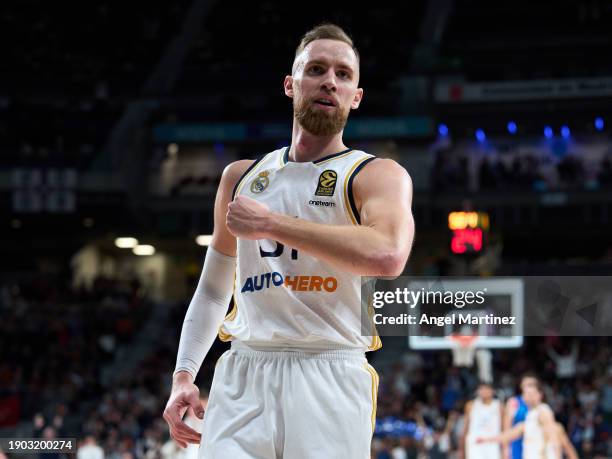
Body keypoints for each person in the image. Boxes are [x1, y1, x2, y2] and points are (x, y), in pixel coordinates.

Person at [163, 23, 415, 459]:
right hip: (244, 369)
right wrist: (184, 373)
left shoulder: (376, 175)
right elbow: (212, 290)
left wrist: (272, 224)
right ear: (290, 84)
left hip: (329, 372)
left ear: (356, 96)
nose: (329, 81)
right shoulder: (240, 178)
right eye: (316, 69)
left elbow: (388, 255)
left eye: (343, 74)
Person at [477, 384, 561, 459]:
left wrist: (557, 456)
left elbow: (553, 437)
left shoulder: (543, 411)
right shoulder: (530, 415)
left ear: (539, 395)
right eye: (526, 394)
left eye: (531, 394)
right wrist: (486, 439)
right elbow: (512, 434)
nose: (528, 396)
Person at [461, 381, 503, 459]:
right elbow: (465, 429)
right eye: (481, 389)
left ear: (492, 391)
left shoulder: (498, 406)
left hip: (492, 444)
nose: (484, 391)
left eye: (486, 388)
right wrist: (462, 451)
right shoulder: (471, 405)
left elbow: (503, 428)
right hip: (475, 445)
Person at [502, 374, 538, 459]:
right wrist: (505, 448)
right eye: (527, 385)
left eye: (532, 385)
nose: (530, 388)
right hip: (517, 442)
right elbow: (507, 426)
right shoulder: (514, 402)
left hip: (535, 442)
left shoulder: (540, 405)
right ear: (521, 386)